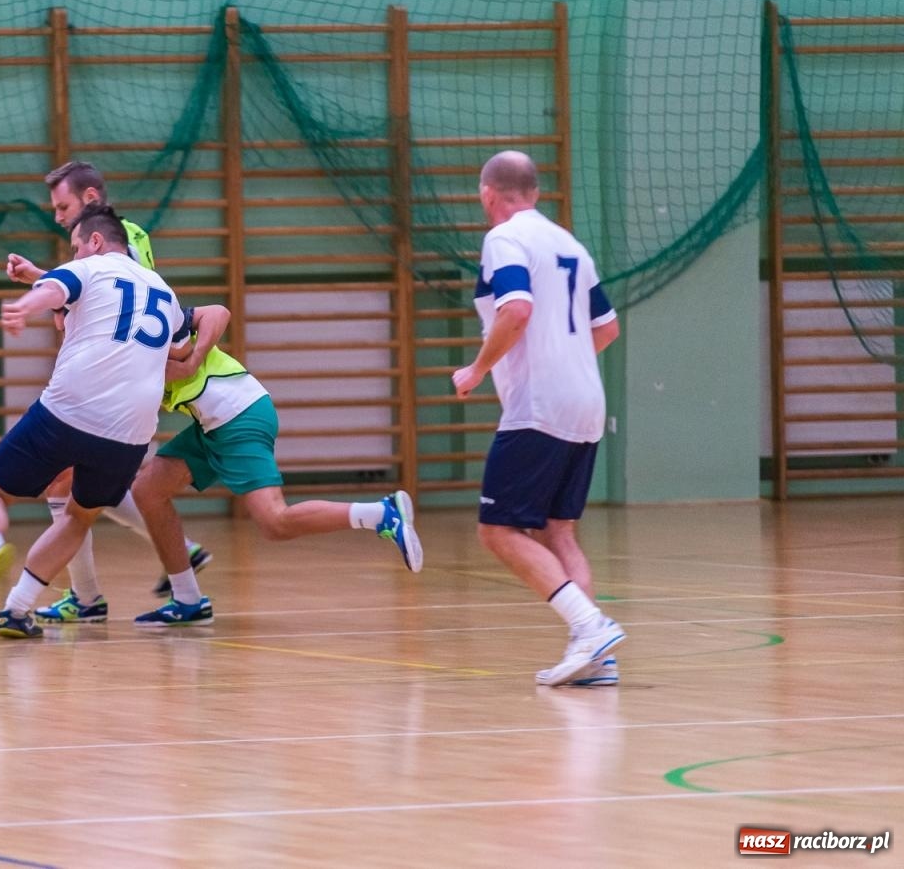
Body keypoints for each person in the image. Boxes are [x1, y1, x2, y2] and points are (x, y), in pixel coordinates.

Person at [119, 302, 423, 628]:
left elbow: (219, 312)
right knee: (148, 490)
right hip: (214, 422)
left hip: (238, 415)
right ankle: (187, 601)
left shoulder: (143, 315)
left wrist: (193, 361)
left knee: (275, 522)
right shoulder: (118, 347)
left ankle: (380, 514)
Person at [1, 160, 211, 622]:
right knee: (78, 487)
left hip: (118, 384)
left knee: (86, 489)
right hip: (125, 383)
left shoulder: (120, 244)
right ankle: (97, 594)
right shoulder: (115, 243)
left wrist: (42, 294)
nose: (57, 217)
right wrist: (41, 277)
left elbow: (116, 299)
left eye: (63, 206)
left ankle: (91, 596)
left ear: (91, 201)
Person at [0, 204, 182, 638]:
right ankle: (17, 609)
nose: (76, 254)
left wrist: (24, 305)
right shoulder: (166, 294)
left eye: (77, 246)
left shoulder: (91, 268)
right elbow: (178, 355)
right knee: (79, 516)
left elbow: (56, 287)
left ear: (96, 242)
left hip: (72, 409)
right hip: (131, 433)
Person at [451, 151, 625, 686]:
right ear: (535, 192)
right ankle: (596, 657)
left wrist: (478, 368)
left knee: (497, 530)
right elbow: (607, 328)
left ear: (487, 194)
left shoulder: (505, 239)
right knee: (559, 531)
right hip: (586, 401)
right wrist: (565, 361)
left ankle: (589, 626)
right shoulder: (569, 243)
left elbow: (517, 310)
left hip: (540, 406)